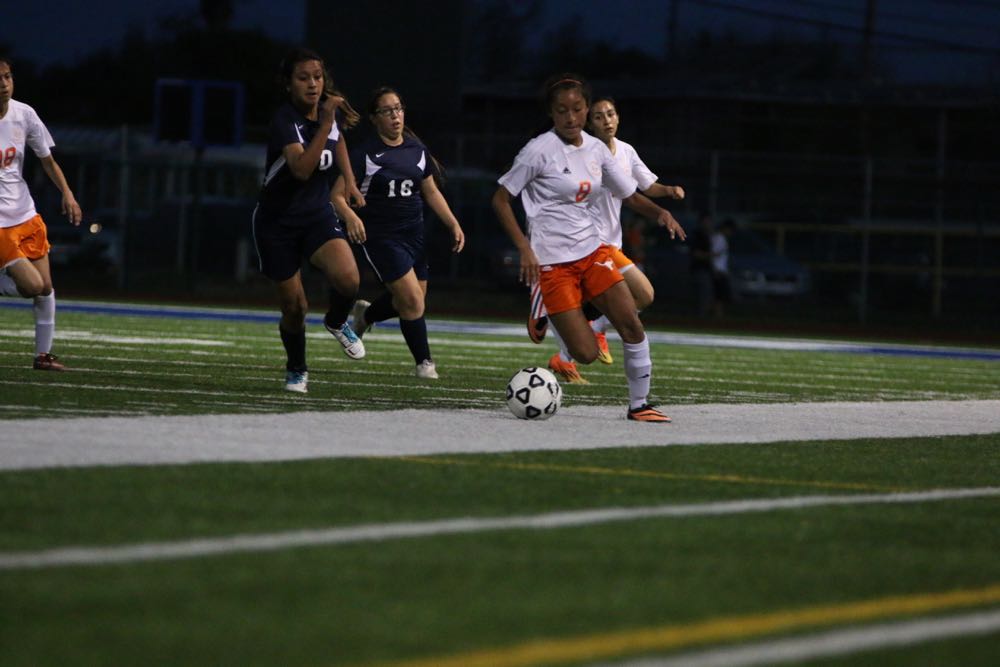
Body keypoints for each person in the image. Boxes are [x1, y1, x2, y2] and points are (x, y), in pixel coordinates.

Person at [492, 73, 686, 423]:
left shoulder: (597, 150)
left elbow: (628, 193)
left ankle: (639, 405)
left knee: (632, 324)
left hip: (593, 253)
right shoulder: (538, 150)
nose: (571, 117)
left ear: (586, 110)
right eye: (562, 110)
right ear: (551, 114)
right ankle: (547, 306)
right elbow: (501, 199)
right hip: (553, 265)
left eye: (577, 109)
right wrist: (524, 247)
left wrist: (661, 213)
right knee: (584, 354)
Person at [532, 95, 686, 383]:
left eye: (611, 114)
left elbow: (646, 185)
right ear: (590, 123)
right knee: (643, 294)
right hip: (590, 243)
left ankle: (565, 354)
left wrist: (668, 191)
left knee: (626, 302)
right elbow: (630, 197)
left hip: (611, 244)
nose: (607, 120)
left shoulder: (626, 151)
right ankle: (550, 312)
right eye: (599, 116)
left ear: (619, 118)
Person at [252, 47, 367, 394]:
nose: (313, 84)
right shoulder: (285, 120)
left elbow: (339, 142)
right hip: (277, 223)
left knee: (349, 281)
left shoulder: (327, 115)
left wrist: (349, 182)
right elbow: (301, 170)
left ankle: (335, 321)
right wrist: (327, 121)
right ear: (288, 84)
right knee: (295, 306)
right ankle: (296, 368)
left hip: (316, 215)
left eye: (317, 77)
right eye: (303, 78)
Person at [332, 87, 465, 379]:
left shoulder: (417, 150)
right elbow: (337, 196)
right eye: (387, 111)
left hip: (414, 237)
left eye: (398, 108)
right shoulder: (364, 154)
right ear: (374, 118)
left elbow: (430, 190)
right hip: (382, 238)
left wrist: (453, 223)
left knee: (412, 300)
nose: (395, 115)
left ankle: (365, 316)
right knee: (413, 301)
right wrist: (352, 217)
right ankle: (424, 364)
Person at [0, 56, 83, 371]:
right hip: (0, 225)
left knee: (45, 287)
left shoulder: (24, 114)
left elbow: (47, 160)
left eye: (7, 77)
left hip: (26, 214)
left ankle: (43, 356)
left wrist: (68, 192)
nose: (4, 84)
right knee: (32, 287)